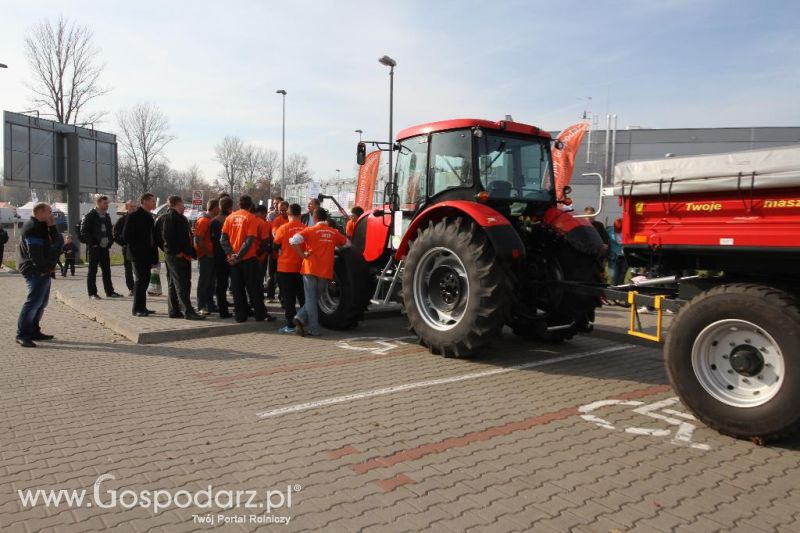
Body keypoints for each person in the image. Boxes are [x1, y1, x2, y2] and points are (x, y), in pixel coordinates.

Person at [290, 208, 348, 336]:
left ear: (314, 218)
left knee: (311, 299)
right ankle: (300, 319)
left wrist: (302, 255)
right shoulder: (333, 232)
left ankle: (311, 327)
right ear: (325, 218)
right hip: (325, 270)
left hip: (310, 268)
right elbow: (347, 243)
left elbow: (293, 240)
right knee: (315, 298)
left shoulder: (310, 230)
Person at [221, 195, 275, 323]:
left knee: (237, 289)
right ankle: (260, 315)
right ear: (251, 205)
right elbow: (249, 240)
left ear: (238, 204)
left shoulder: (230, 217)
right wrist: (239, 256)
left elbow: (223, 239)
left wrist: (231, 254)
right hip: (248, 259)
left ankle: (240, 316)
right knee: (254, 289)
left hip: (234, 261)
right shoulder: (251, 218)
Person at [16, 203, 61, 347]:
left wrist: (53, 227)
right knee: (33, 302)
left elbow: (58, 241)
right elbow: (34, 253)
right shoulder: (33, 228)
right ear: (41, 212)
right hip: (35, 270)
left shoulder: (42, 226)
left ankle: (34, 330)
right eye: (49, 212)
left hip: (44, 269)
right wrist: (42, 269)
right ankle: (22, 334)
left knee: (41, 303)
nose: (51, 215)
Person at [162, 195, 204, 320]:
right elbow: (167, 237)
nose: (184, 205)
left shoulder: (181, 218)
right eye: (181, 203)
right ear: (176, 204)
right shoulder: (170, 217)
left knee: (176, 283)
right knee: (182, 283)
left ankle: (174, 310)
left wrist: (192, 253)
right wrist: (176, 252)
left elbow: (187, 237)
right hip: (176, 256)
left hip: (184, 255)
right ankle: (188, 311)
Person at [123, 193, 159, 316]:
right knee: (140, 280)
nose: (155, 203)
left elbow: (152, 238)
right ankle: (136, 309)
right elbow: (126, 236)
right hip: (137, 255)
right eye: (153, 201)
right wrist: (138, 248)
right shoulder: (134, 216)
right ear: (145, 201)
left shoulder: (149, 217)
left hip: (147, 255)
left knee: (146, 280)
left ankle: (142, 306)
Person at [81, 195, 122, 300]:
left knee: (107, 270)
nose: (107, 205)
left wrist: (110, 242)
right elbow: (84, 231)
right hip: (94, 248)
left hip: (104, 248)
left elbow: (110, 231)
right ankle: (92, 293)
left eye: (107, 203)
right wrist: (93, 243)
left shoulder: (107, 216)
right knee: (92, 270)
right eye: (105, 203)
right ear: (98, 203)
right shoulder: (90, 215)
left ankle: (110, 291)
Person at [273, 203, 306, 333]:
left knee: (288, 298)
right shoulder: (305, 228)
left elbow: (275, 247)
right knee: (302, 296)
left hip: (285, 268)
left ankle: (291, 325)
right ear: (300, 215)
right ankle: (303, 320)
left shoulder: (283, 228)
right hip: (301, 268)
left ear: (288, 214)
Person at [195, 199, 219, 315]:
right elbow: (198, 239)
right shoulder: (204, 221)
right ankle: (201, 305)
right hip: (206, 256)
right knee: (204, 282)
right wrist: (206, 252)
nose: (219, 209)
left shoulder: (210, 220)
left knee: (211, 282)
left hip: (211, 256)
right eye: (218, 207)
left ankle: (210, 305)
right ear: (214, 207)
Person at [210, 195, 233, 318]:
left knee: (221, 284)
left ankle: (223, 310)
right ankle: (241, 308)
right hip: (233, 256)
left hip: (218, 256)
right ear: (230, 207)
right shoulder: (232, 220)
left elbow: (212, 240)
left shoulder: (214, 221)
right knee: (237, 284)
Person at [265, 201, 288, 302]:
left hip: (285, 255)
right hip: (275, 254)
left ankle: (283, 297)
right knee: (271, 276)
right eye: (280, 210)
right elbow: (274, 233)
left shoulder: (291, 221)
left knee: (282, 278)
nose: (282, 212)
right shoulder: (277, 220)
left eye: (284, 210)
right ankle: (270, 296)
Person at [114, 200, 137, 296]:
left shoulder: (139, 219)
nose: (133, 208)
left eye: (134, 206)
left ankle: (139, 287)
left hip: (138, 248)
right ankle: (131, 288)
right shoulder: (122, 220)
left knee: (139, 269)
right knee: (128, 268)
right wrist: (124, 244)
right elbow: (115, 235)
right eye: (131, 206)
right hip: (127, 248)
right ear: (127, 207)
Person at [253, 205, 273, 299]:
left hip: (260, 256)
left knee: (258, 279)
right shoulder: (262, 223)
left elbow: (268, 241)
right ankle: (257, 300)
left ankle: (257, 299)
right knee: (257, 280)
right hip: (258, 255)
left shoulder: (266, 224)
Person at [607, 218, 628, 286]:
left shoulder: (627, 232)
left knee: (622, 275)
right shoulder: (609, 231)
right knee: (613, 276)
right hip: (613, 257)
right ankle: (613, 290)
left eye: (620, 229)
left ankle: (620, 290)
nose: (618, 231)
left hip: (625, 257)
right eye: (616, 229)